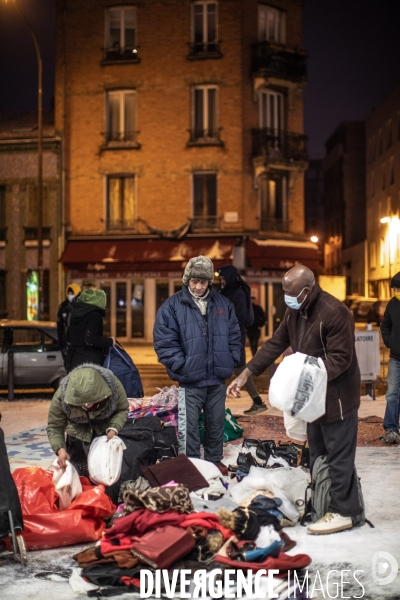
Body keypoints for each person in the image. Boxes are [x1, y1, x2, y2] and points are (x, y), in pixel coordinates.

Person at [227, 264, 362, 535]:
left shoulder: (335, 313)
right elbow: (275, 343)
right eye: (284, 291)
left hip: (337, 397)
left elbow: (341, 359)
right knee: (317, 454)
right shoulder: (295, 310)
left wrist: (303, 373)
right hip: (312, 399)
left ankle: (344, 512)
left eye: (290, 292)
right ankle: (326, 502)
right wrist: (246, 373)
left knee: (339, 456)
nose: (285, 297)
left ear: (307, 290)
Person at [153, 256, 241, 475]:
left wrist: (231, 359)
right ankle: (191, 463)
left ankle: (213, 460)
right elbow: (164, 341)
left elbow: (234, 335)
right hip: (190, 379)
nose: (198, 286)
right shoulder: (172, 306)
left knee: (216, 422)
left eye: (203, 282)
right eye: (194, 281)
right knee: (189, 426)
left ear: (209, 282)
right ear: (187, 279)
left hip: (217, 377)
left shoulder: (223, 304)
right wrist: (181, 365)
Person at [47, 364, 129, 475]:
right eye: (83, 404)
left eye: (91, 403)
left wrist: (114, 427)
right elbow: (55, 426)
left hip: (104, 433)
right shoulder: (62, 395)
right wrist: (60, 449)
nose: (87, 406)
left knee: (108, 474)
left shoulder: (114, 386)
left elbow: (122, 409)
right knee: (78, 476)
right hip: (76, 435)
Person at [219, 266, 267, 414]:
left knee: (237, 367)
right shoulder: (229, 291)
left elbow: (238, 317)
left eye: (223, 278)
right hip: (228, 335)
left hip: (234, 336)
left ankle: (257, 402)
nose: (221, 281)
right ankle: (257, 401)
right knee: (225, 368)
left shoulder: (237, 293)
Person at [67, 288, 116, 372]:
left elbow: (68, 336)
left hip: (74, 361)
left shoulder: (76, 313)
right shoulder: (95, 315)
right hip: (90, 363)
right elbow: (91, 339)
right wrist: (110, 341)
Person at [380, 272, 400, 444]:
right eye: (394, 289)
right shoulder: (392, 304)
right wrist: (389, 341)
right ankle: (391, 428)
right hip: (396, 357)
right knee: (392, 394)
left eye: (398, 289)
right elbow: (385, 324)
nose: (396, 291)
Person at [56, 283, 81, 368]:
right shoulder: (63, 306)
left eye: (72, 293)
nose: (70, 295)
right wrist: (61, 343)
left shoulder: (82, 305)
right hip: (67, 344)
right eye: (69, 293)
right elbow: (60, 327)